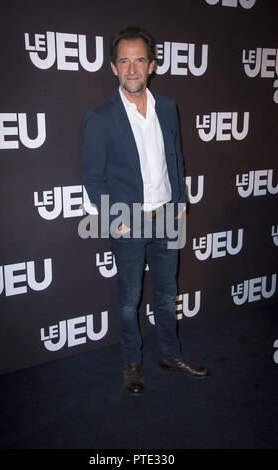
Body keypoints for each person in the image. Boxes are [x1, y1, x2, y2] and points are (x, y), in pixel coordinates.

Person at [82, 26, 210, 395]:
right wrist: (114, 219)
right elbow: (92, 178)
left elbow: (177, 159)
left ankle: (170, 354)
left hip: (168, 217)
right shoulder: (100, 117)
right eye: (125, 61)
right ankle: (132, 363)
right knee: (128, 300)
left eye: (140, 60)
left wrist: (181, 207)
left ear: (152, 65)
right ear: (113, 67)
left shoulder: (168, 108)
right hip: (129, 223)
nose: (132, 68)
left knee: (168, 292)